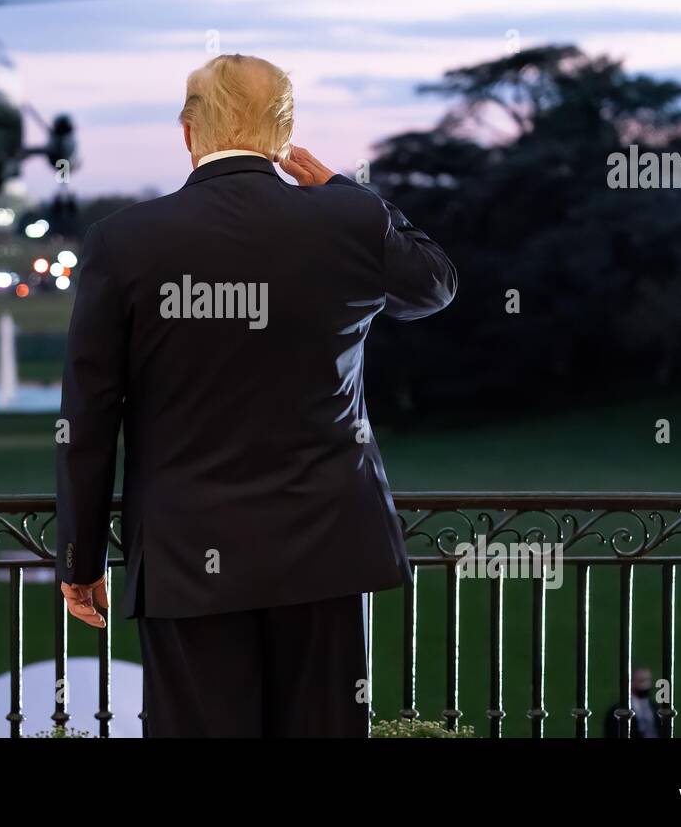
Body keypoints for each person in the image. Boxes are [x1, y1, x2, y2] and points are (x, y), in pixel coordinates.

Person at [55, 53, 457, 737]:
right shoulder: (345, 221)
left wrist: (82, 557)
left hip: (188, 557)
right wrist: (346, 191)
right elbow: (434, 285)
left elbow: (90, 416)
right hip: (327, 552)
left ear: (189, 131)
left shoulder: (122, 242)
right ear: (284, 133)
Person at [603, 666, 663, 738]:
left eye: (648, 680)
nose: (646, 685)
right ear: (631, 682)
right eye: (641, 681)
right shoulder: (617, 711)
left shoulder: (656, 708)